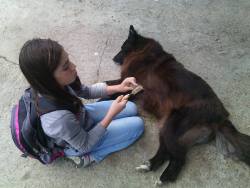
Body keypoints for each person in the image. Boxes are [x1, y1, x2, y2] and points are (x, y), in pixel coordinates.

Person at [18, 38, 144, 167]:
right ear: (48, 78)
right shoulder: (58, 119)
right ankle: (88, 157)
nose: (74, 66)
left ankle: (94, 125)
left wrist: (119, 87)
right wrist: (111, 114)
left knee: (132, 108)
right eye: (66, 67)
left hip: (80, 115)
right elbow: (85, 144)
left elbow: (86, 91)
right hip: (78, 142)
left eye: (69, 60)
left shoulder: (56, 84)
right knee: (138, 125)